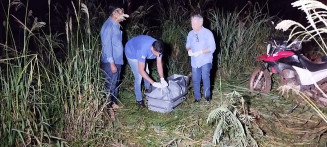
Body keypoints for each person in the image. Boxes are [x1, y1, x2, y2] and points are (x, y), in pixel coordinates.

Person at [125, 35, 168, 107]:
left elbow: (159, 65)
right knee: (139, 76)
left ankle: (148, 90)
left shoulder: (159, 49)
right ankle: (139, 100)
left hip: (141, 49)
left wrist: (162, 78)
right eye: (156, 53)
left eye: (159, 54)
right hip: (131, 51)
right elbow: (141, 71)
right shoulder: (143, 50)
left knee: (147, 72)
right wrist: (153, 83)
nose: (158, 55)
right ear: (152, 48)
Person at [100, 4, 129, 112]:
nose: (123, 14)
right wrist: (111, 63)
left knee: (115, 83)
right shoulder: (108, 26)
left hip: (118, 60)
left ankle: (113, 104)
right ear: (115, 13)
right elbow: (106, 46)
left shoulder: (116, 25)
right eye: (121, 12)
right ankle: (108, 109)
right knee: (110, 84)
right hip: (111, 62)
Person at [186, 13, 216, 103]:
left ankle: (207, 97)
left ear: (201, 23)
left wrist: (200, 52)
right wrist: (189, 50)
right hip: (195, 61)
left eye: (195, 23)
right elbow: (187, 45)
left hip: (205, 60)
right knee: (195, 79)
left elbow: (212, 48)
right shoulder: (190, 33)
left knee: (205, 77)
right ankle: (197, 98)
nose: (193, 25)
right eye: (192, 23)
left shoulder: (208, 33)